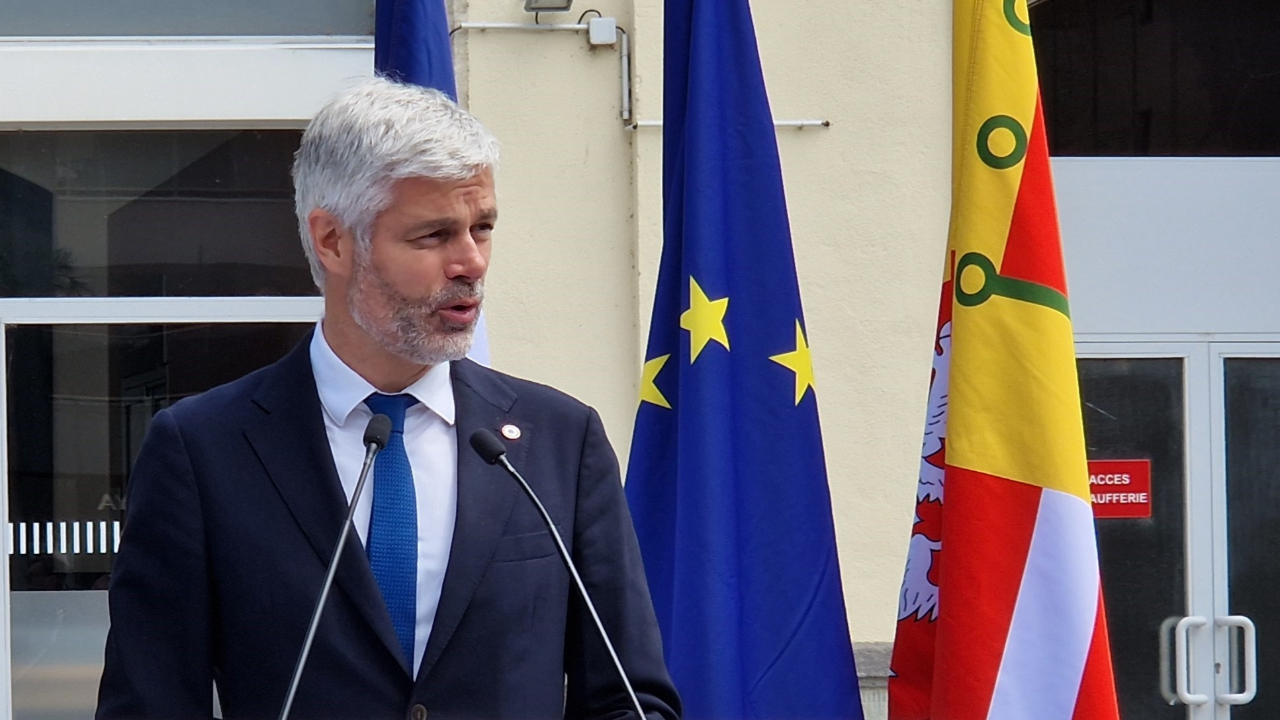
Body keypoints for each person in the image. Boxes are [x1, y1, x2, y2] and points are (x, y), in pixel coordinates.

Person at [96, 77, 681, 720]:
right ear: (333, 241)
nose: (471, 263)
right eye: (433, 236)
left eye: (481, 228)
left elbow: (629, 699)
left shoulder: (557, 442)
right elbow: (148, 702)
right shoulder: (204, 449)